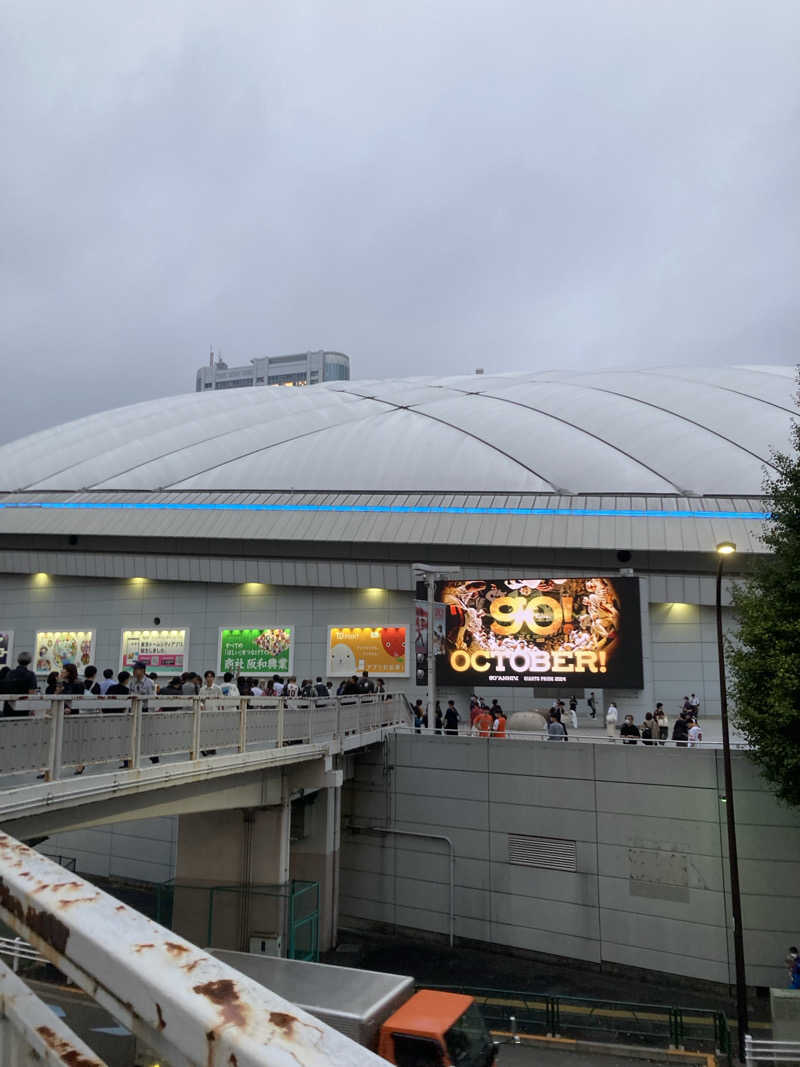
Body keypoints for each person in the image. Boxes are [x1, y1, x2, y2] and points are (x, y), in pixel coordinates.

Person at [1, 651, 38, 716]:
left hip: (8, 706)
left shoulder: (10, 673)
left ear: (18, 660)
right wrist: (32, 709)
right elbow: (31, 693)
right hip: (23, 706)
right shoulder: (31, 675)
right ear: (29, 661)